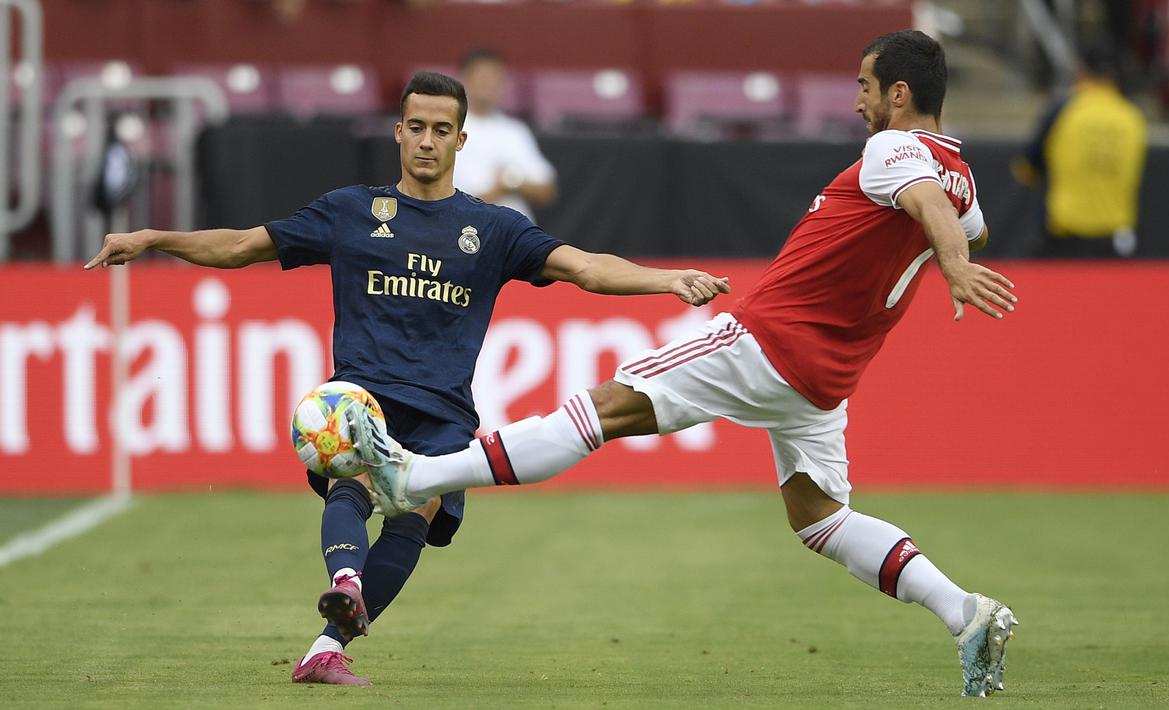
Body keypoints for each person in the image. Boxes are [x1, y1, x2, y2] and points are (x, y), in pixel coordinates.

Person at [354, 31, 1021, 698]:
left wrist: (953, 265)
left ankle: (414, 474)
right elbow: (965, 220)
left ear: (898, 95)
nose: (856, 103)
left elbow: (929, 207)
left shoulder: (891, 148)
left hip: (766, 341)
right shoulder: (956, 173)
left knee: (597, 411)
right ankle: (964, 612)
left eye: (865, 87)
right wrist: (948, 242)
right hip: (825, 380)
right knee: (820, 519)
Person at [84, 71, 730, 686]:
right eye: (416, 126)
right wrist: (154, 237)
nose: (426, 140)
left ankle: (326, 647)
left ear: (460, 140)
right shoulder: (350, 211)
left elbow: (584, 267)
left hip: (445, 410)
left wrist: (664, 279)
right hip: (362, 396)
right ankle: (345, 584)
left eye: (440, 129)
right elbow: (240, 246)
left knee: (412, 519)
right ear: (397, 132)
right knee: (359, 479)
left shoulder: (494, 228)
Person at [1014, 36, 1148, 258]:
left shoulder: (1064, 110)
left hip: (1066, 240)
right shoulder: (1133, 117)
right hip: (1116, 241)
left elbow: (1025, 169)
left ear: (1081, 70)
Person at [451, 48, 558, 220]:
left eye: (496, 77)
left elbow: (546, 191)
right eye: (483, 77)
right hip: (469, 234)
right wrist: (505, 185)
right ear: (466, 79)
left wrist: (510, 181)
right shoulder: (450, 129)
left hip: (520, 236)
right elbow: (460, 203)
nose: (490, 84)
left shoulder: (516, 131)